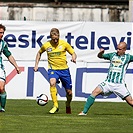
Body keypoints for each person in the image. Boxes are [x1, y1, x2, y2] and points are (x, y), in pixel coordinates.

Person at [78, 42, 133, 115]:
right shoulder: (112, 55)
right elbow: (100, 56)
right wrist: (101, 53)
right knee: (94, 92)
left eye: (120, 49)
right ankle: (84, 112)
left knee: (130, 101)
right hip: (108, 83)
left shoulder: (128, 57)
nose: (117, 50)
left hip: (119, 84)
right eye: (117, 48)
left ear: (124, 50)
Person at [34, 28, 77, 114]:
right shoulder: (46, 45)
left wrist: (73, 57)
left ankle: (68, 104)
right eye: (53, 39)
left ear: (58, 36)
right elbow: (39, 53)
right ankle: (55, 105)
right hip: (53, 69)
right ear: (51, 37)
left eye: (57, 38)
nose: (55, 40)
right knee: (52, 82)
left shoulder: (64, 44)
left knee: (69, 92)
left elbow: (73, 53)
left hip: (64, 70)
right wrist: (36, 65)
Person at [0, 24, 21, 112]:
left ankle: (2, 108)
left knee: (1, 88)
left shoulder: (3, 44)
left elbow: (9, 56)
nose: (1, 34)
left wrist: (16, 66)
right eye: (0, 32)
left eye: (2, 33)